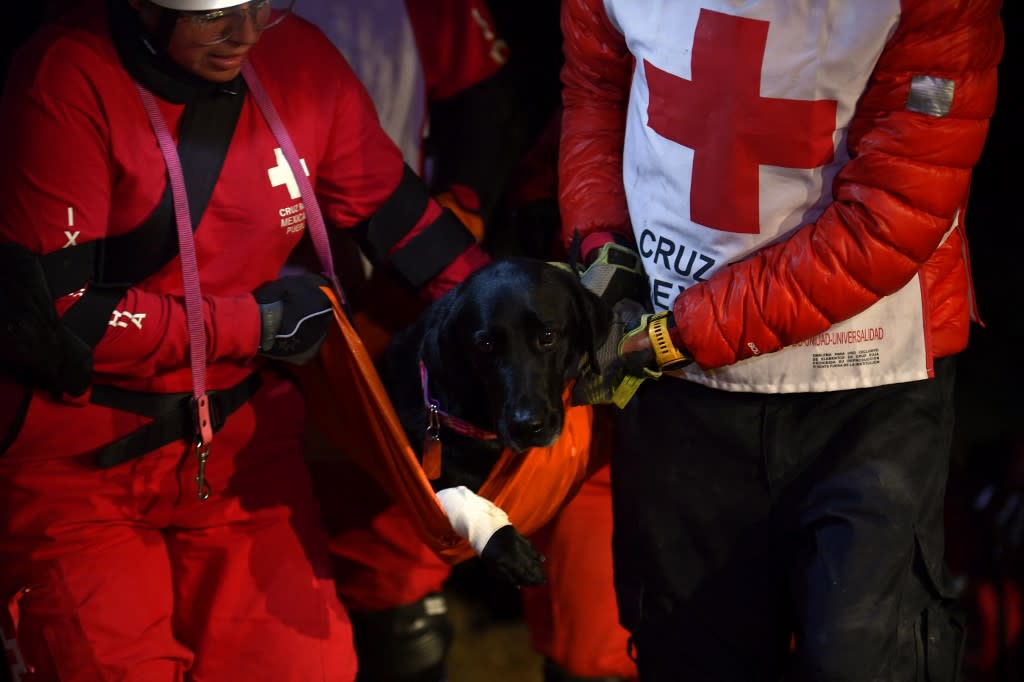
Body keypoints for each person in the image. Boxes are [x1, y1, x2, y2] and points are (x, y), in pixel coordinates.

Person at [0, 0, 489, 679]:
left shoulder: (298, 59)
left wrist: (507, 311)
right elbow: (59, 320)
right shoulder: (66, 75)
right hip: (77, 465)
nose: (248, 32)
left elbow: (410, 225)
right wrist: (252, 324)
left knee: (304, 667)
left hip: (238, 453)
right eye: (215, 15)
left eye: (262, 2)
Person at [560, 0, 1005, 680]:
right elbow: (595, 88)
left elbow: (893, 214)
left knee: (862, 660)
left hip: (865, 395)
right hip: (683, 398)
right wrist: (601, 251)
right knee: (692, 656)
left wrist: (674, 334)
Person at [297, 2, 638, 680]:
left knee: (597, 625)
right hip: (385, 312)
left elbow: (485, 101)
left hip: (485, 300)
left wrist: (467, 205)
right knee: (388, 557)